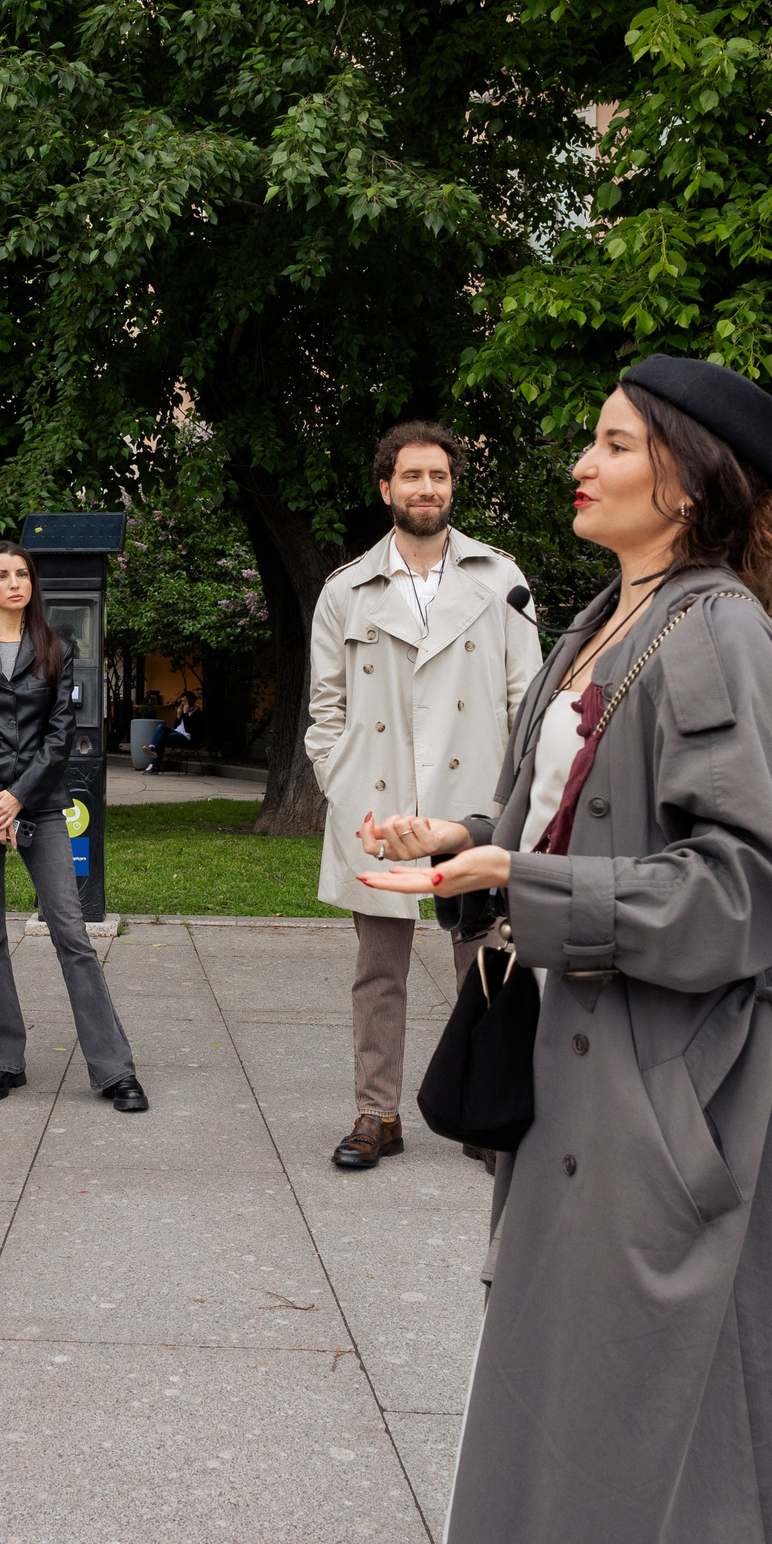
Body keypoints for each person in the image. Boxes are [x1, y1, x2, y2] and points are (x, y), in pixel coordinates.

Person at [358, 356, 772, 1544]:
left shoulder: (716, 634)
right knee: (575, 1386)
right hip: (590, 1064)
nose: (583, 464)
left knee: (662, 1412)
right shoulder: (603, 622)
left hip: (663, 1078)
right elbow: (562, 821)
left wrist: (523, 879)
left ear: (687, 479)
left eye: (614, 445)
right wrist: (466, 843)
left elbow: (751, 890)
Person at [305, 419, 540, 1171]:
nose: (426, 488)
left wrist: (506, 814)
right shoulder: (345, 590)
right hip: (378, 813)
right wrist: (346, 796)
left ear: (452, 484)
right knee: (378, 973)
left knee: (487, 963)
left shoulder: (502, 578)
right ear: (386, 488)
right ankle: (377, 1113)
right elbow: (325, 715)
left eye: (438, 475)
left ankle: (483, 1110)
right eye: (412, 476)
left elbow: (525, 705)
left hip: (470, 813)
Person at [0, 540, 147, 1111]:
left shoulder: (57, 648)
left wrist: (17, 797)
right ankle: (1, 1061)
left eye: (22, 574)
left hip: (40, 800)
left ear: (32, 585)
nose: (13, 583)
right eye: (1, 575)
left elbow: (61, 737)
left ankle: (113, 1070)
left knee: (71, 932)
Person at [139, 692, 200, 773]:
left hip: (187, 738)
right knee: (161, 727)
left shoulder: (198, 713)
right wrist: (178, 715)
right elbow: (176, 727)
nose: (182, 704)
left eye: (184, 701)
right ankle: (152, 747)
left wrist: (185, 714)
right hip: (176, 733)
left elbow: (188, 729)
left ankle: (153, 766)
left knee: (161, 738)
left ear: (191, 701)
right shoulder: (184, 710)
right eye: (181, 701)